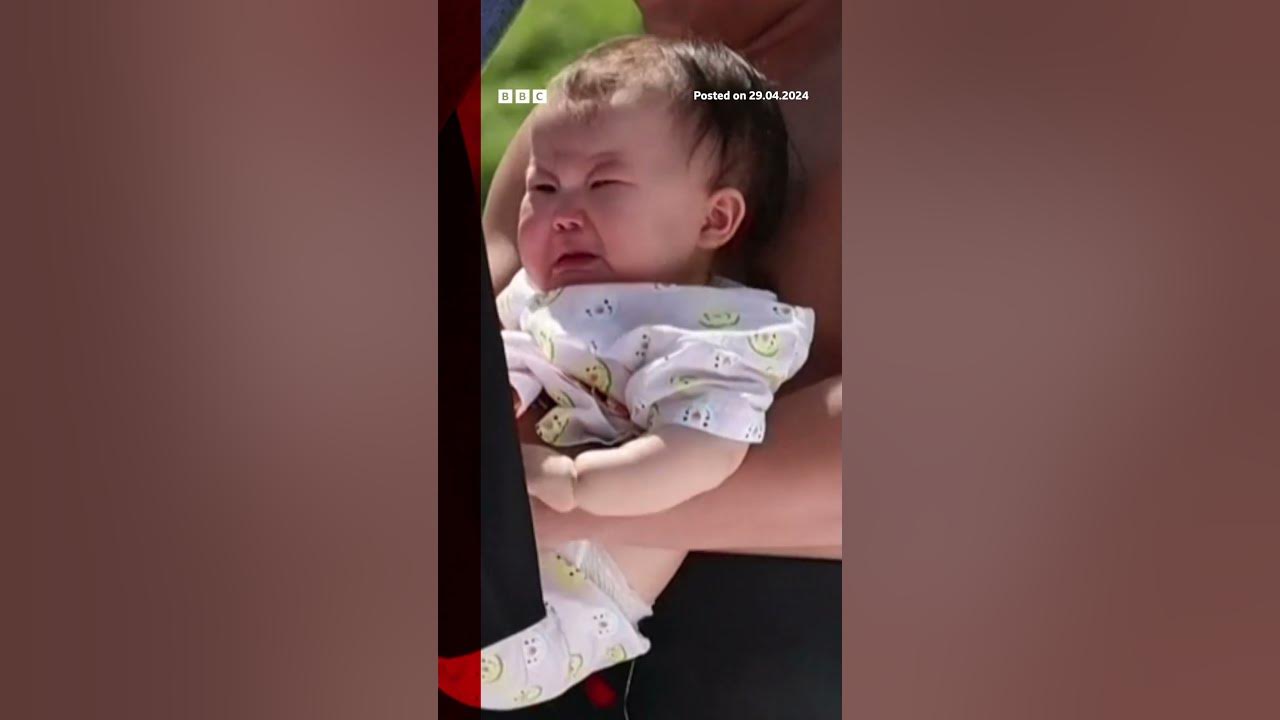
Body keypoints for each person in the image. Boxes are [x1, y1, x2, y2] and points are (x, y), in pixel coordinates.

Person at [482, 0, 843, 716]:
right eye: (548, 190)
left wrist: (570, 502)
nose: (564, 204)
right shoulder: (595, 108)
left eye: (604, 187)